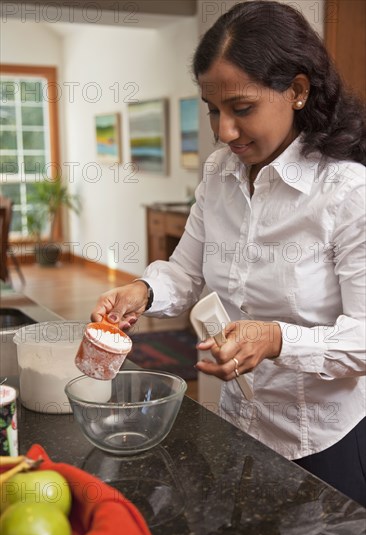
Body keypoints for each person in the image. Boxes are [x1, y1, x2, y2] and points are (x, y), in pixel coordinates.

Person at [91, 1, 366, 506]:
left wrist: (276, 339)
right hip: (239, 425)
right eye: (213, 109)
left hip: (323, 443)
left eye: (242, 109)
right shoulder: (220, 173)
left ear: (298, 91)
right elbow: (185, 271)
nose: (224, 131)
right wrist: (143, 291)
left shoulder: (348, 193)